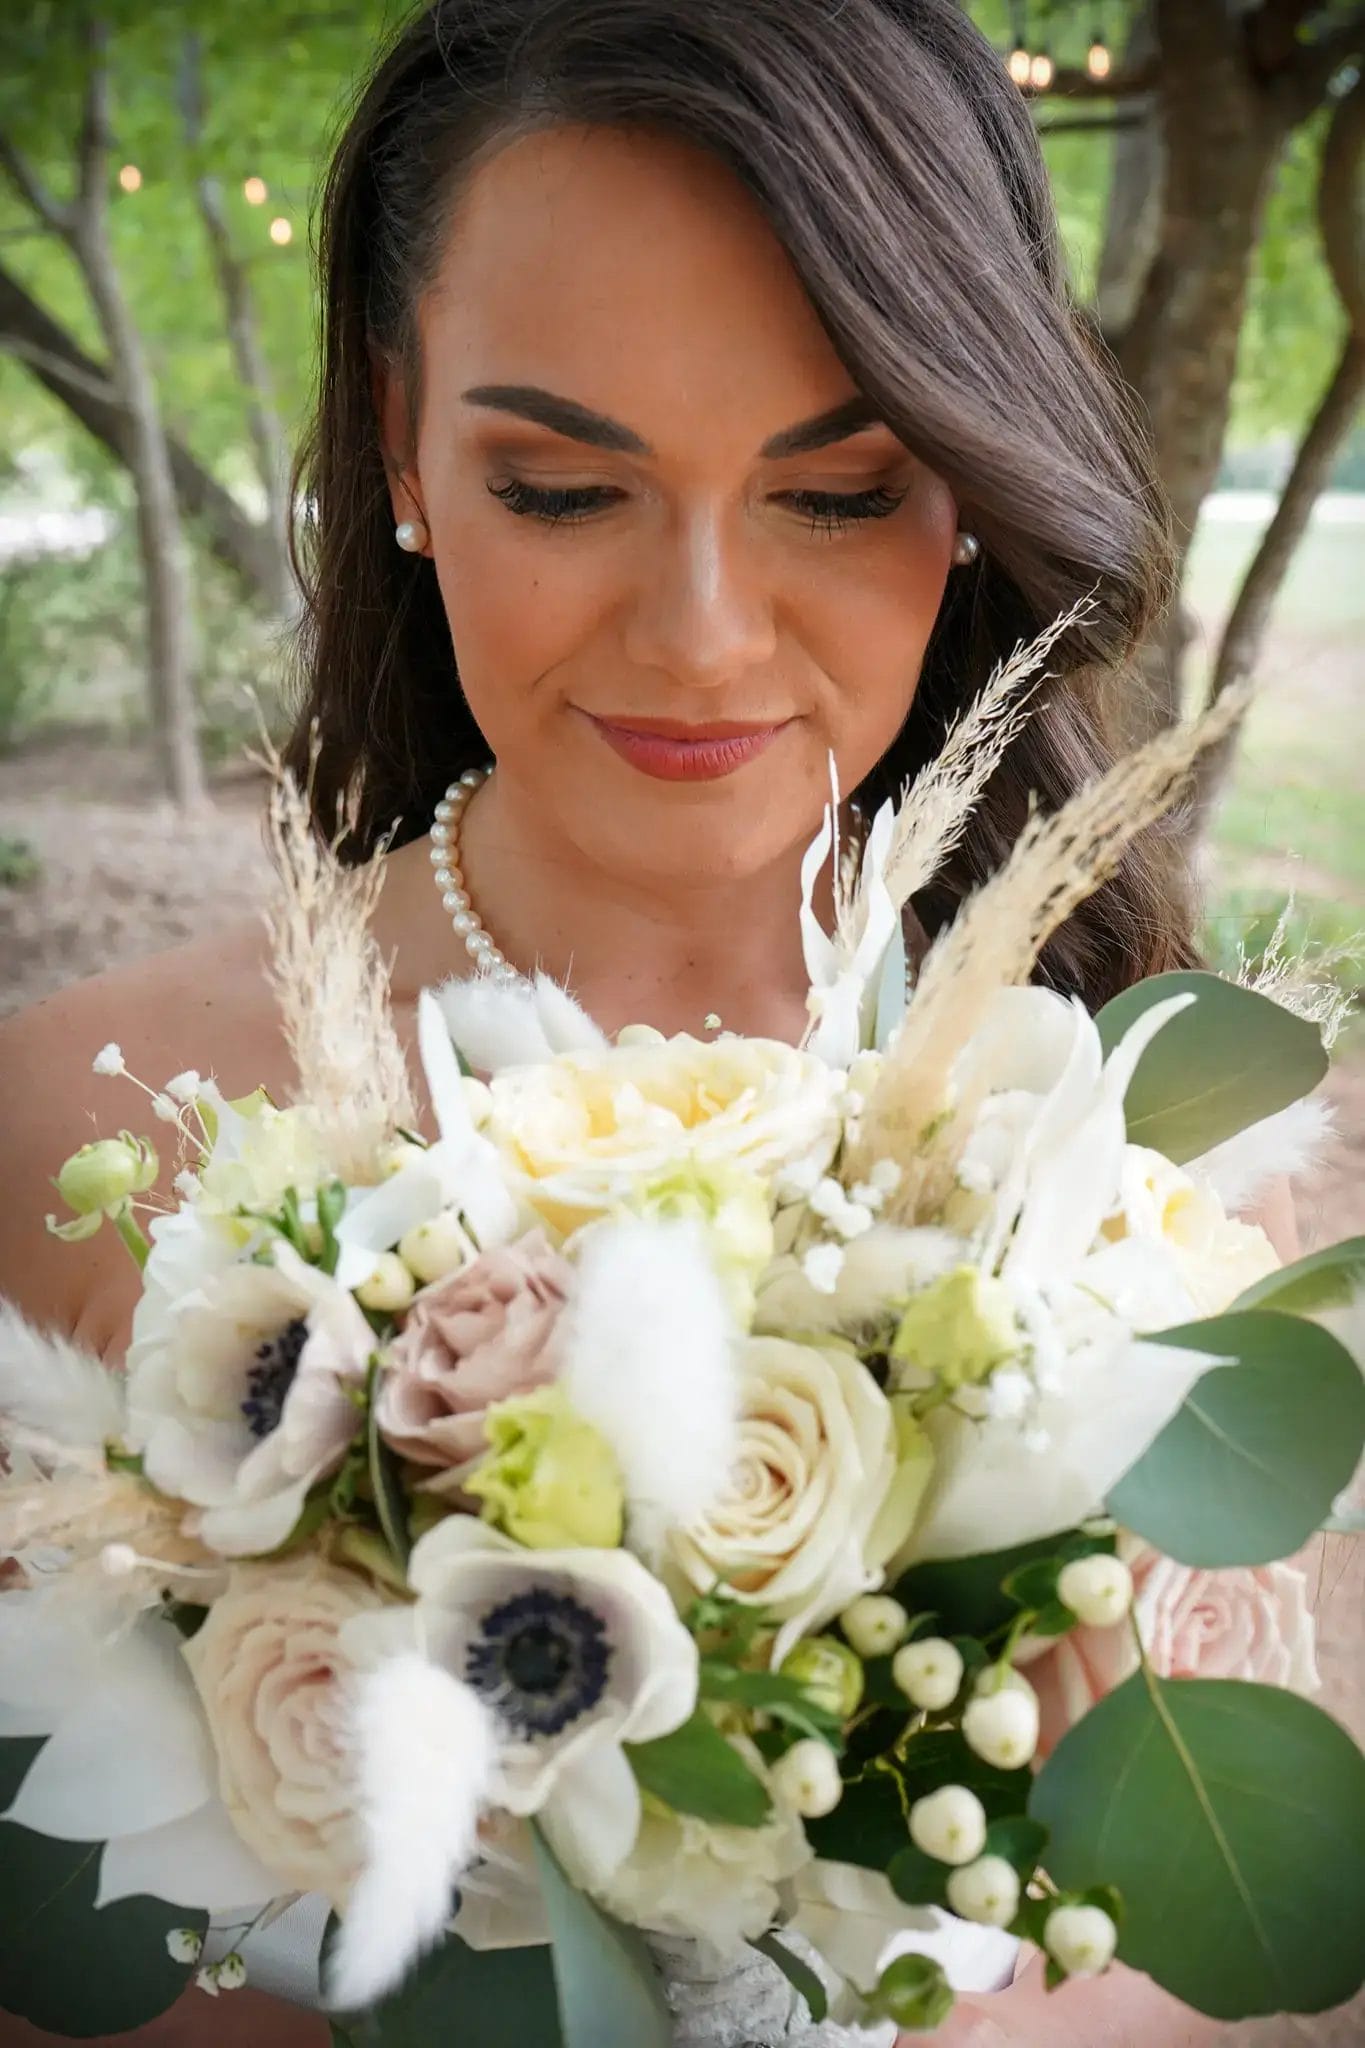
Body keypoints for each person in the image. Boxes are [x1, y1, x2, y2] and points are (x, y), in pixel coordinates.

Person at [0, 1, 1290, 2041]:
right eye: (563, 485)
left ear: (966, 485)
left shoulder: (1189, 1174)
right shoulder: (61, 1123)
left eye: (839, 492)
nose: (698, 633)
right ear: (402, 435)